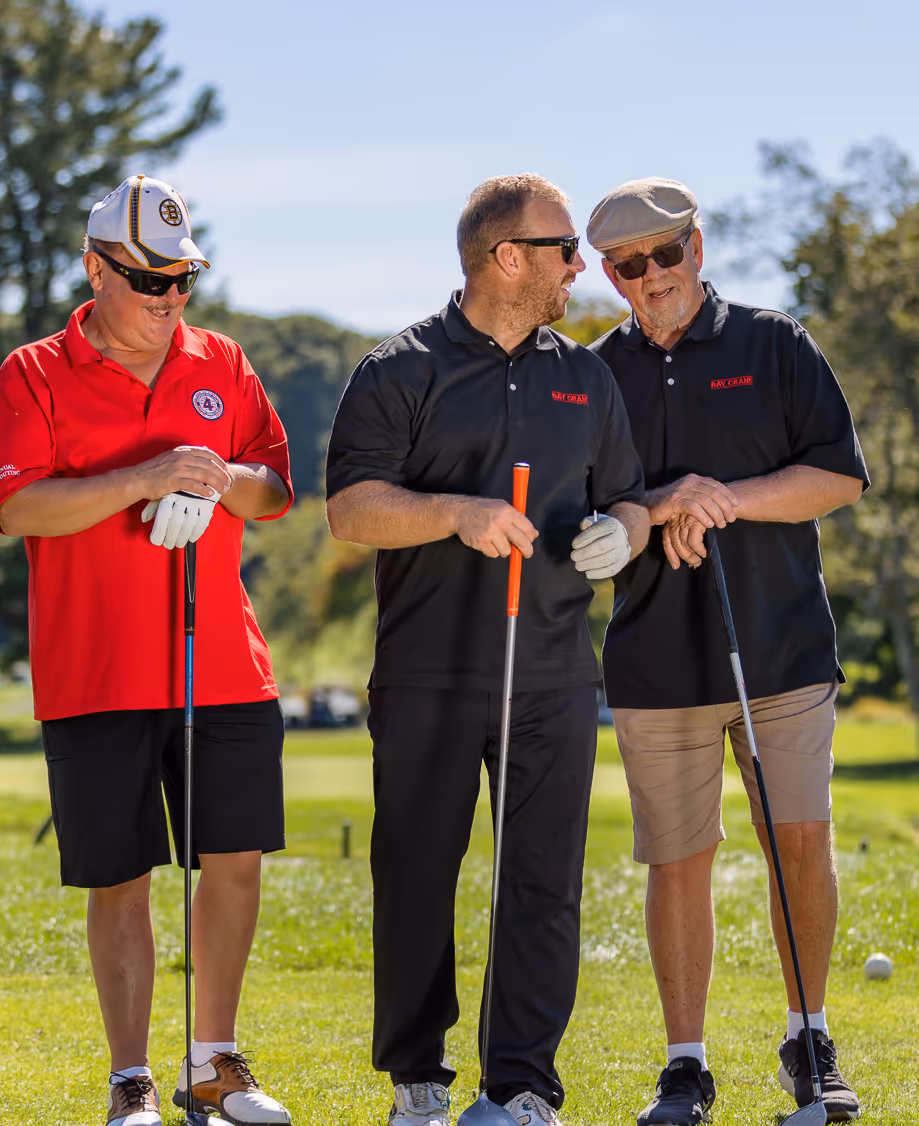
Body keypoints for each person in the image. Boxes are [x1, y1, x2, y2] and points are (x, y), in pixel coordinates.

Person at [326, 174, 650, 1126]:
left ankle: (521, 1087)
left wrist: (623, 535)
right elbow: (351, 510)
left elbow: (627, 495)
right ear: (508, 259)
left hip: (553, 672)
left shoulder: (587, 377)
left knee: (542, 884)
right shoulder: (400, 369)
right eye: (562, 250)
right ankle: (419, 1080)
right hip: (428, 670)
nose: (578, 267)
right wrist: (455, 513)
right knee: (417, 874)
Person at [0, 175, 296, 1126]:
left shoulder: (223, 361)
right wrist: (145, 479)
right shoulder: (33, 373)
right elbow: (20, 506)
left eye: (182, 281)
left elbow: (277, 486)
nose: (168, 301)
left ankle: (214, 1061)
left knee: (232, 860)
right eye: (147, 279)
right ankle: (132, 1081)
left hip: (224, 663)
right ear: (95, 268)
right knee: (121, 877)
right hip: (96, 673)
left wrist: (218, 481)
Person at [584, 178, 869, 1125]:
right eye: (631, 265)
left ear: (696, 249)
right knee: (678, 860)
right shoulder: (594, 375)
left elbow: (835, 477)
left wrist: (727, 497)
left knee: (797, 842)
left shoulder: (774, 344)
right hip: (658, 658)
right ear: (612, 275)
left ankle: (808, 1035)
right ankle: (684, 1063)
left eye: (666, 255)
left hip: (781, 649)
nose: (653, 276)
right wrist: (662, 505)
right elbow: (587, 518)